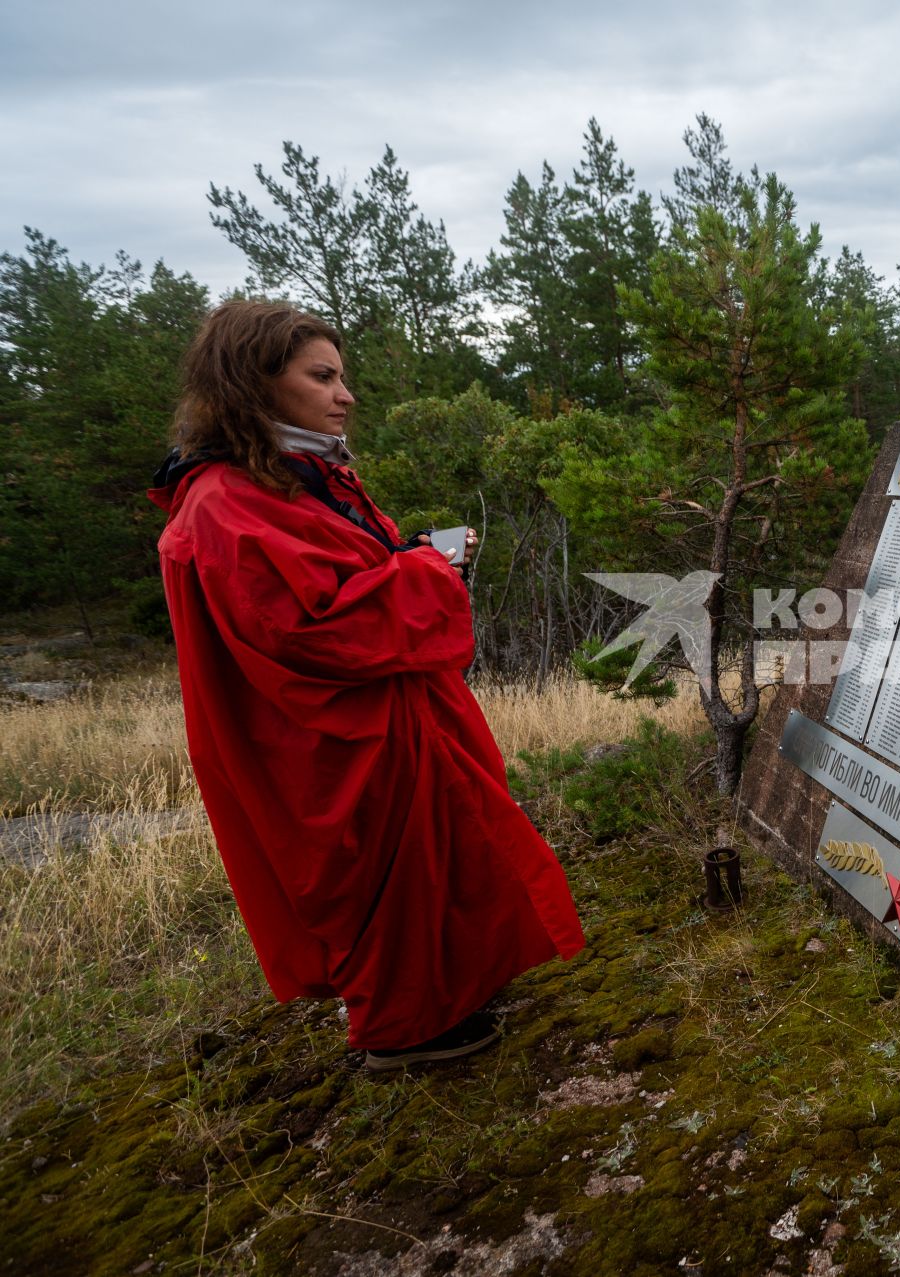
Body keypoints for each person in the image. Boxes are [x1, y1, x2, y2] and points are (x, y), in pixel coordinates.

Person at [148, 300, 585, 1071]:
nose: (344, 395)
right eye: (322, 377)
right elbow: (315, 627)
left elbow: (341, 576)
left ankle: (446, 996)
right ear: (254, 383)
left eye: (342, 376)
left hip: (386, 718)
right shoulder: (226, 502)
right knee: (382, 875)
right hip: (331, 739)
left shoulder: (290, 477)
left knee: (438, 856)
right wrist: (425, 570)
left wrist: (412, 552)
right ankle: (406, 1027)